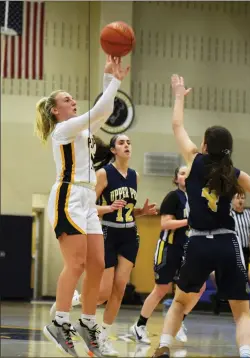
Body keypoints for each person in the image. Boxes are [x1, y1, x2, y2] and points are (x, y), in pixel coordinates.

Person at [152, 74, 250, 358]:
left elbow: (176, 125)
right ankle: (246, 354)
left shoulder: (194, 161)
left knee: (179, 303)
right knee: (242, 312)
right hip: (227, 244)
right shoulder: (235, 174)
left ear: (205, 146)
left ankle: (163, 345)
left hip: (198, 243)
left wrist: (178, 96)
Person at [37, 56, 129, 357]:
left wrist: (107, 78)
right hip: (68, 197)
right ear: (56, 110)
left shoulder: (83, 131)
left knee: (97, 265)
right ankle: (59, 321)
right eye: (67, 99)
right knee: (75, 264)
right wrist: (115, 82)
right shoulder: (62, 131)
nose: (72, 100)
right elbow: (101, 110)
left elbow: (101, 115)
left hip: (88, 200)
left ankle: (88, 324)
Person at [51, 134, 157, 356]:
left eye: (129, 142)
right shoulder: (103, 174)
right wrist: (107, 208)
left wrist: (141, 212)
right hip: (107, 232)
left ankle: (103, 336)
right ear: (113, 150)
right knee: (103, 293)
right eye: (121, 143)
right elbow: (89, 207)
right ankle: (73, 300)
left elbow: (126, 209)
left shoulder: (135, 176)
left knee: (119, 289)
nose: (127, 145)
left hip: (129, 235)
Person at [130, 166, 205, 345]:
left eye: (189, 174)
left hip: (188, 250)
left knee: (198, 287)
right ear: (176, 178)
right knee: (161, 289)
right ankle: (139, 325)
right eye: (182, 174)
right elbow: (165, 224)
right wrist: (188, 221)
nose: (185, 177)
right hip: (168, 248)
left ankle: (179, 322)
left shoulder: (197, 199)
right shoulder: (173, 197)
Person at [231, 193, 250, 270]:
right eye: (238, 198)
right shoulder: (229, 214)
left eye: (242, 198)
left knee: (244, 272)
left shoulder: (248, 214)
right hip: (233, 249)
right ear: (233, 200)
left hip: (245, 249)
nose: (240, 200)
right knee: (235, 272)